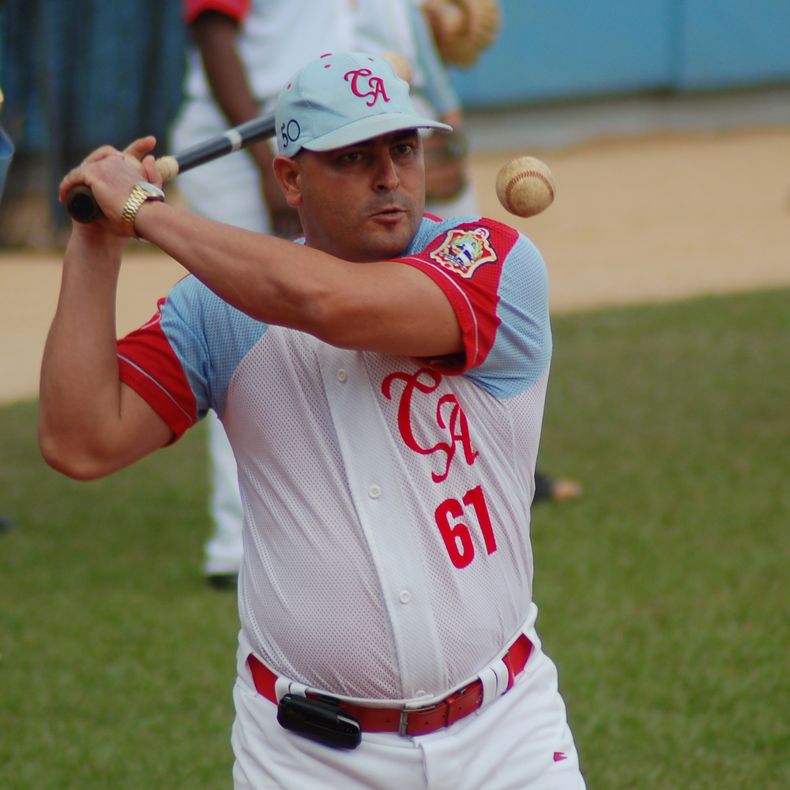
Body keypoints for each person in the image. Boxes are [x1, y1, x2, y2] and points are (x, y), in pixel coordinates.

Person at [41, 52, 585, 787]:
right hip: (305, 758)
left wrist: (145, 212)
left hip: (506, 738)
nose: (389, 176)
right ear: (290, 179)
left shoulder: (490, 261)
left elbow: (327, 306)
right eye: (353, 157)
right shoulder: (217, 310)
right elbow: (79, 441)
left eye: (403, 149)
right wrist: (96, 243)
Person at [170, 0, 355, 587]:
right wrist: (265, 164)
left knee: (322, 326)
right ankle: (235, 543)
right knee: (250, 337)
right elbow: (213, 34)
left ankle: (327, 521)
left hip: (312, 141)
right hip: (245, 148)